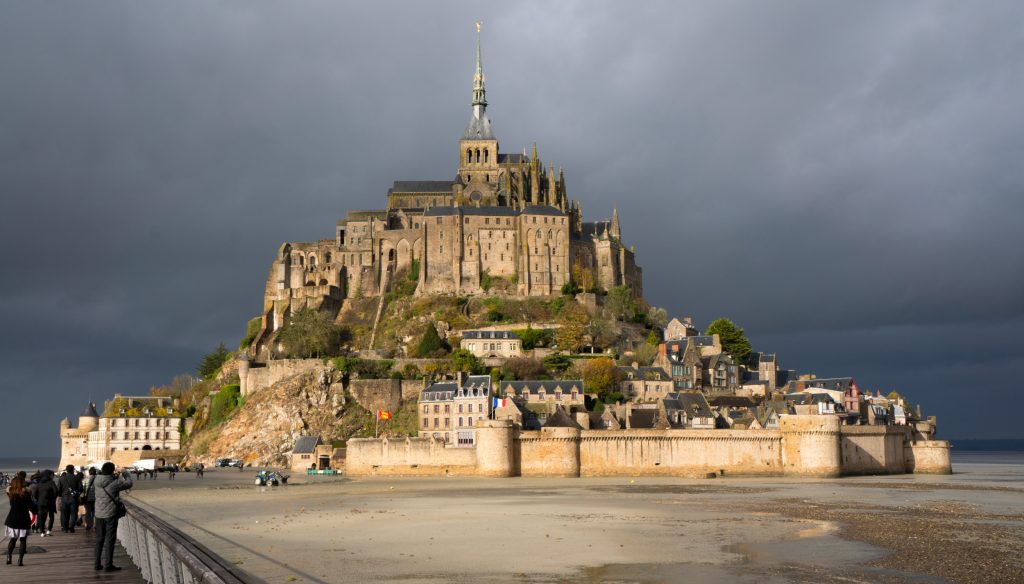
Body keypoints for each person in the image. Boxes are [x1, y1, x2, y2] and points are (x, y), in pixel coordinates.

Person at [93, 462, 132, 572]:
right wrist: (124, 472)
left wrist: (113, 475)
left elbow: (107, 479)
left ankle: (97, 564)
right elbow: (129, 483)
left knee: (99, 539)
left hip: (99, 514)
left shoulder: (96, 480)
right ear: (112, 471)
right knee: (110, 540)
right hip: (110, 514)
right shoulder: (115, 484)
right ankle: (108, 565)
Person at [5, 475, 34, 566]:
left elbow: (8, 488)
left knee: (13, 540)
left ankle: (9, 557)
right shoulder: (26, 494)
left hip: (12, 519)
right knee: (23, 540)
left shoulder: (11, 493)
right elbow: (31, 506)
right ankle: (20, 560)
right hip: (24, 519)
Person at [29, 469, 57, 537]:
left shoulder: (39, 483)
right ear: (49, 475)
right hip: (50, 502)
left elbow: (35, 494)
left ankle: (42, 532)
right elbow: (56, 492)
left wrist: (38, 499)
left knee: (42, 517)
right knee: (51, 516)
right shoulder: (51, 482)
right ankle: (49, 530)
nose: (52, 476)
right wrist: (53, 498)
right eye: (51, 475)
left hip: (41, 502)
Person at [56, 464, 83, 533]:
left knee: (65, 514)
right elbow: (81, 488)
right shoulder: (77, 478)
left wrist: (61, 495)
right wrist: (77, 493)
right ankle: (71, 526)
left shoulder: (61, 479)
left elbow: (58, 490)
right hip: (74, 498)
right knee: (74, 514)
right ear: (73, 470)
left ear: (66, 470)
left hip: (64, 498)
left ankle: (65, 528)